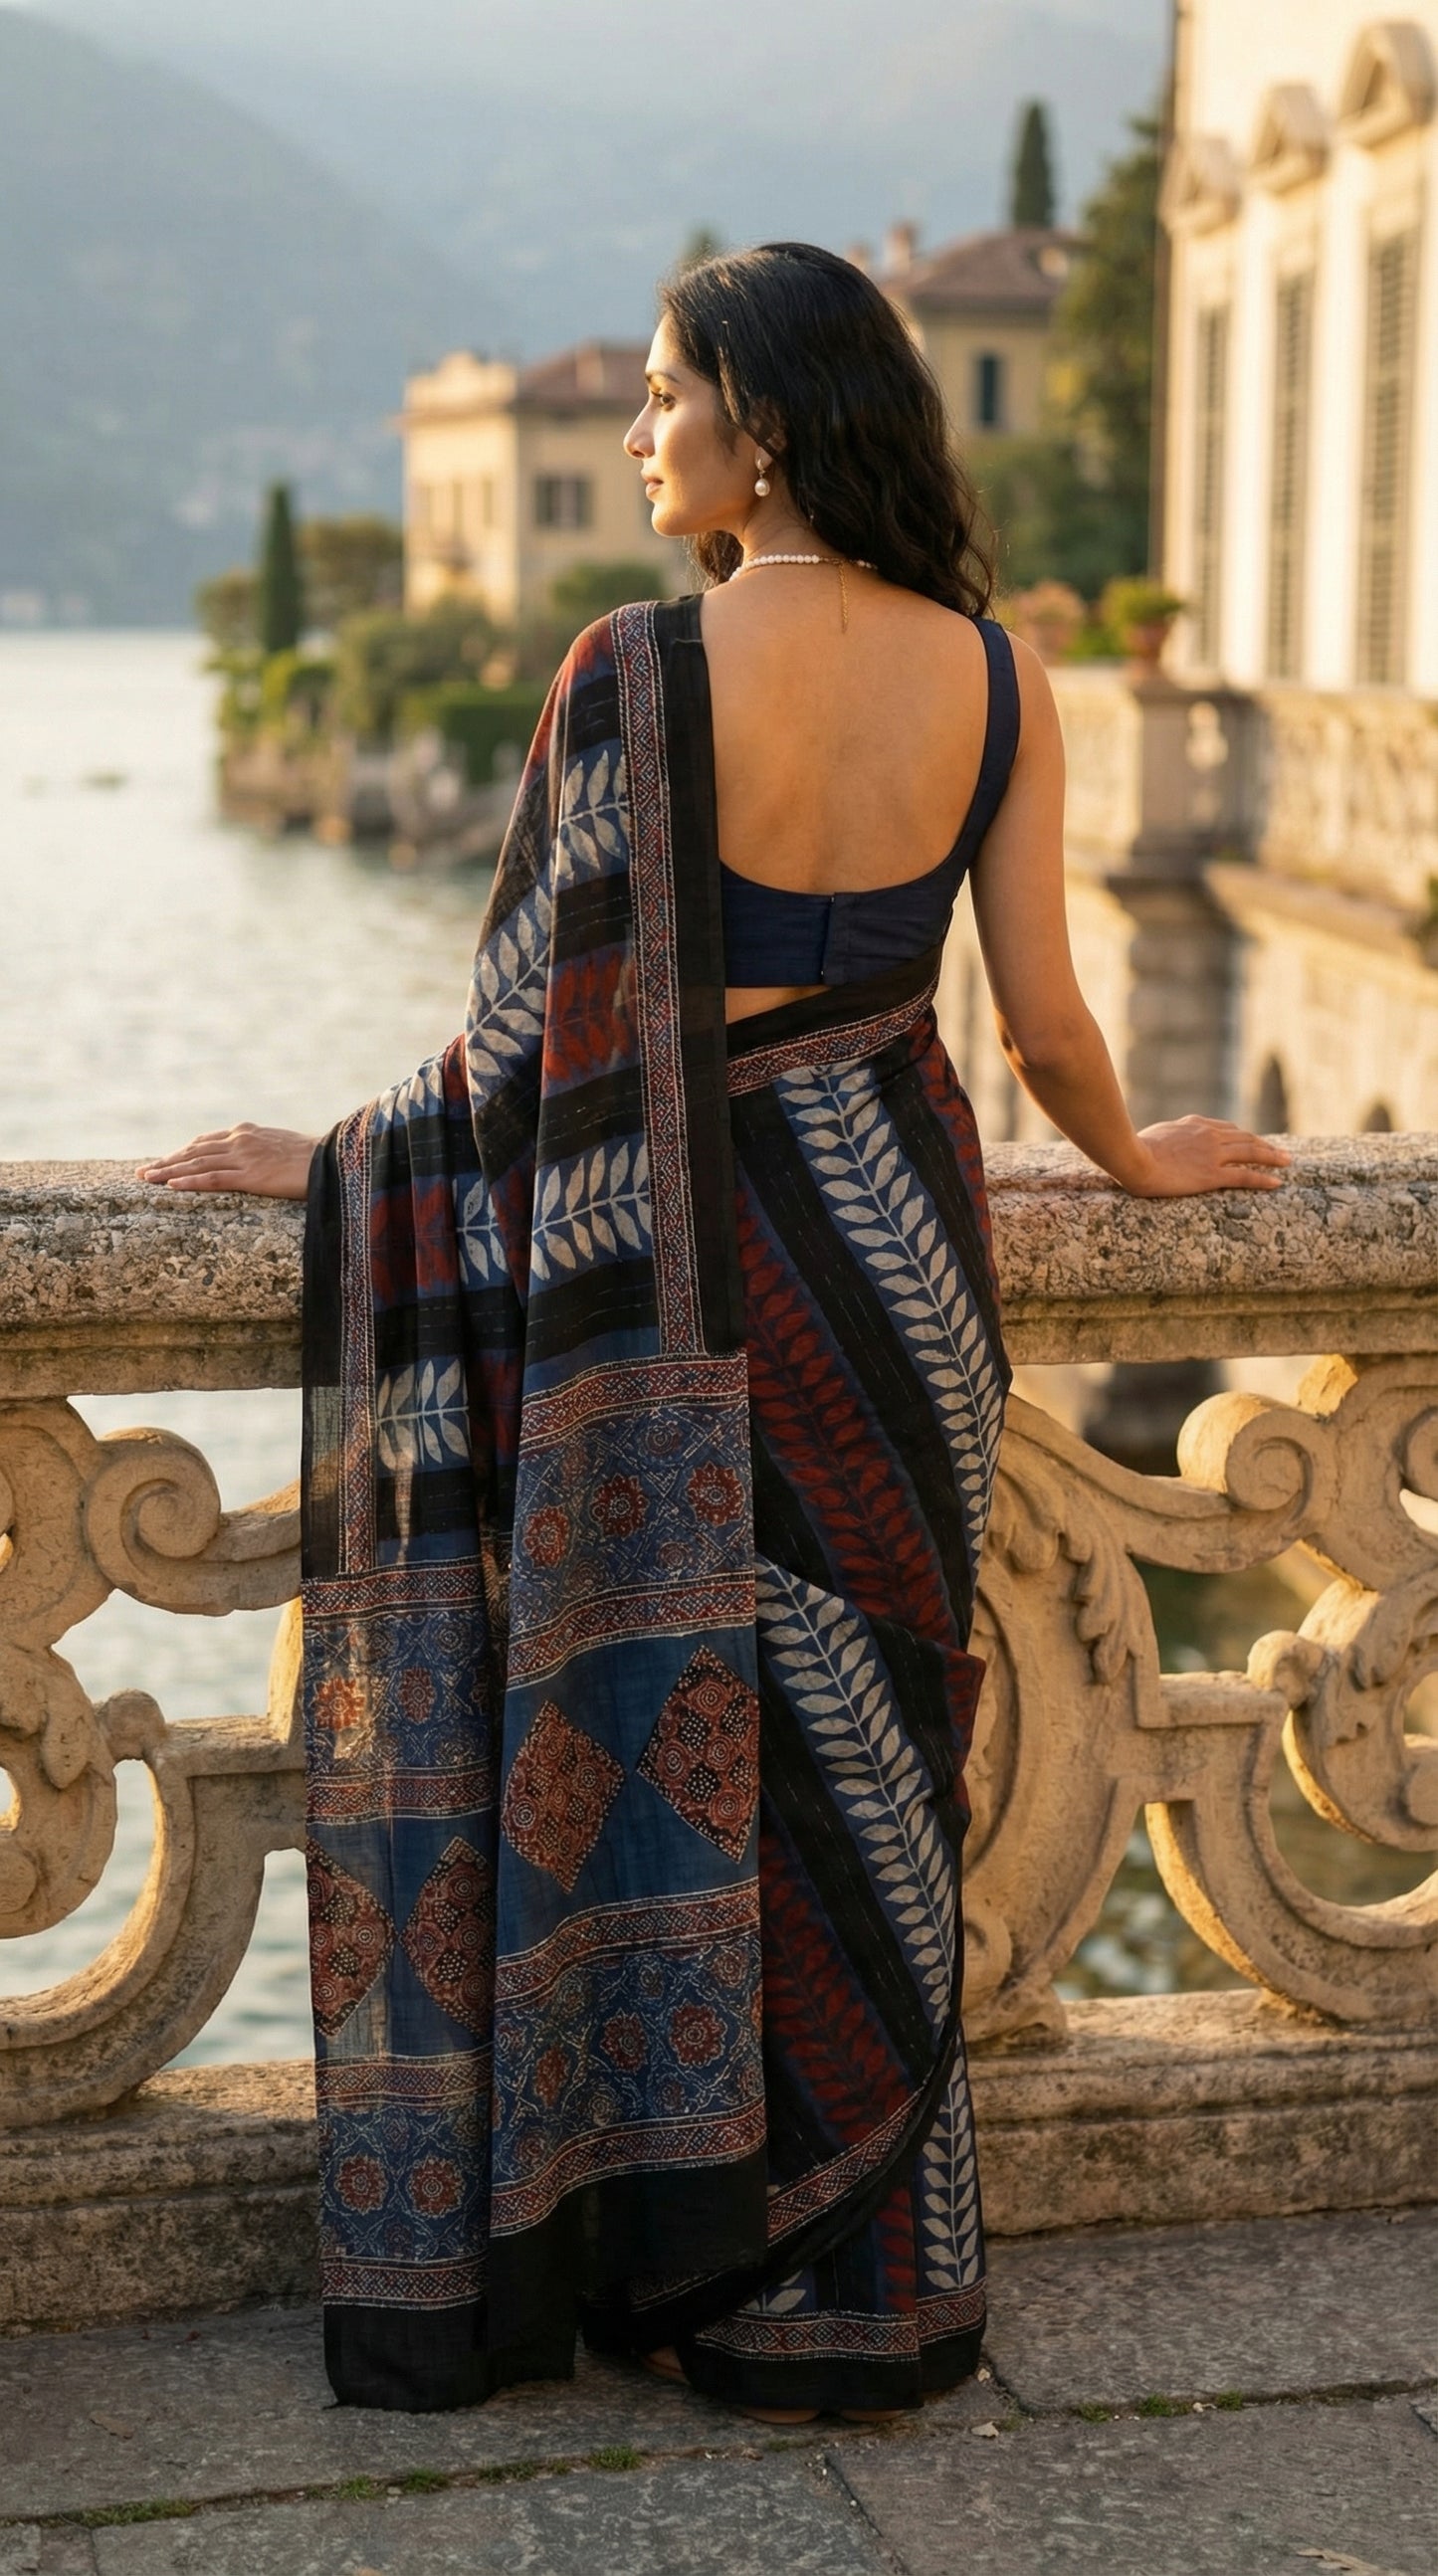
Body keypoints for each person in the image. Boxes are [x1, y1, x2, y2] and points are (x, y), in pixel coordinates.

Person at [141, 243, 1287, 2425]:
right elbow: (1043, 1025)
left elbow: (505, 1060)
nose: (645, 431)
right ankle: (856, 2278)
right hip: (903, 1261)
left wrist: (337, 1160)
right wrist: (1144, 1167)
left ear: (758, 423)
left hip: (679, 1259)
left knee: (682, 1733)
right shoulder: (1001, 672)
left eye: (669, 394)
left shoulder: (628, 669)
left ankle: (675, 2247)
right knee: (873, 1737)